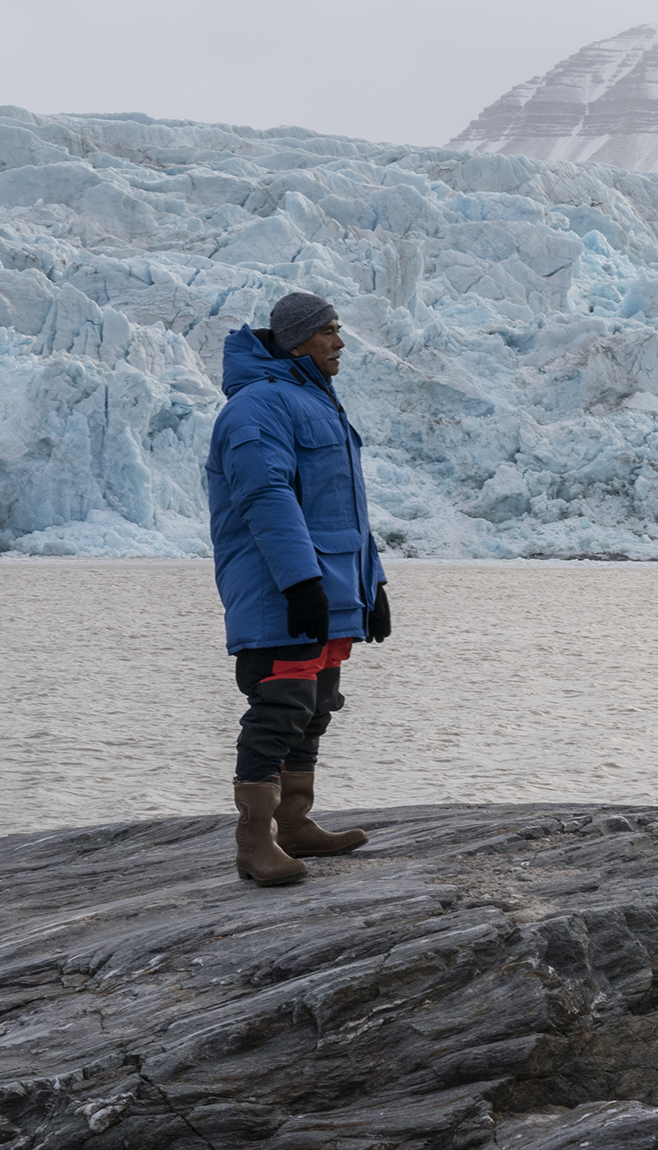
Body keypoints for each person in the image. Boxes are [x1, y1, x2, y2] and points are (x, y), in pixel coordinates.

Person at [205, 289, 391, 885]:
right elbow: (267, 499)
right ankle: (253, 843)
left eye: (339, 331)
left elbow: (347, 510)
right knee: (279, 708)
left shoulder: (316, 401)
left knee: (317, 704)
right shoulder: (257, 408)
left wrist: (373, 586)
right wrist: (300, 581)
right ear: (296, 341)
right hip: (278, 587)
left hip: (330, 586)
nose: (340, 343)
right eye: (329, 332)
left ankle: (295, 824)